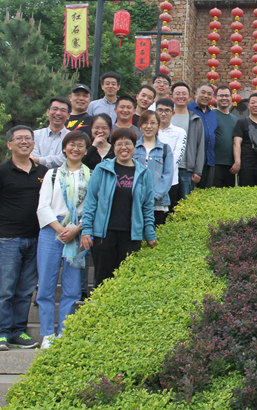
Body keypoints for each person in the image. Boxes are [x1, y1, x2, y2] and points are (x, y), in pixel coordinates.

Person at [0, 125, 48, 351]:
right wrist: (8, 220)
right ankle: (0, 334)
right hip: (9, 239)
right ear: (9, 144)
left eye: (28, 138)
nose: (24, 142)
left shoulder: (43, 172)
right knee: (5, 289)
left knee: (25, 290)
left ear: (33, 143)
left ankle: (18, 331)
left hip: (36, 238)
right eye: (19, 138)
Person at [35, 131, 90, 349]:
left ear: (86, 151)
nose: (76, 149)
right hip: (52, 229)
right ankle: (48, 333)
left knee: (72, 286)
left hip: (78, 229)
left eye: (80, 146)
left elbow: (91, 206)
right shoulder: (52, 174)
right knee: (46, 284)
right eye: (72, 145)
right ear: (64, 148)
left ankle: (64, 331)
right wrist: (60, 229)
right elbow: (43, 206)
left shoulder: (91, 175)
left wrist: (76, 229)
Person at [80, 128, 157, 286]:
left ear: (134, 146)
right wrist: (86, 229)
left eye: (128, 143)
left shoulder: (143, 173)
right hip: (104, 235)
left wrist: (149, 232)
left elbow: (147, 206)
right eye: (119, 144)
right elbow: (91, 201)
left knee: (126, 282)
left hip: (131, 236)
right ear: (113, 147)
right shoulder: (102, 169)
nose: (124, 147)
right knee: (102, 281)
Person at [134, 110, 174, 227]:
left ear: (158, 125)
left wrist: (154, 196)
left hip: (158, 202)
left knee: (154, 233)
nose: (148, 126)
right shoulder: (133, 147)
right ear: (140, 125)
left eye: (152, 123)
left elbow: (167, 175)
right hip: (134, 200)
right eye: (145, 123)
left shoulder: (165, 149)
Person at [171, 82, 205, 198]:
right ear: (172, 97)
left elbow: (200, 146)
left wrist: (198, 171)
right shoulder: (166, 118)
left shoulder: (195, 120)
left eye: (184, 94)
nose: (181, 96)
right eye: (177, 93)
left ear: (189, 97)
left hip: (186, 169)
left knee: (184, 203)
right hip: (167, 168)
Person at [154, 99, 187, 208]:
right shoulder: (150, 131)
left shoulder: (180, 132)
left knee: (168, 212)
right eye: (160, 110)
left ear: (173, 113)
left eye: (167, 110)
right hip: (151, 179)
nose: (163, 113)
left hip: (171, 181)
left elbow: (178, 156)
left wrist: (164, 173)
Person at [233, 92, 257, 186]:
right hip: (246, 165)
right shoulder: (241, 123)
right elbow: (236, 143)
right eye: (253, 102)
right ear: (248, 105)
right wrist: (237, 161)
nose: (255, 105)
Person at [186, 83, 217, 189]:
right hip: (192, 163)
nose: (206, 96)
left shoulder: (212, 114)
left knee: (205, 194)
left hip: (209, 161)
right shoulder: (187, 109)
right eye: (203, 93)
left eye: (209, 94)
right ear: (196, 94)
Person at [31, 97, 71, 169]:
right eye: (55, 109)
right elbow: (32, 158)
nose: (58, 113)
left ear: (68, 115)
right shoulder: (35, 135)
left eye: (63, 110)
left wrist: (38, 160)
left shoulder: (72, 137)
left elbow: (64, 159)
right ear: (48, 112)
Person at [213, 86, 240, 188]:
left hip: (230, 165)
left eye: (226, 96)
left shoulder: (235, 119)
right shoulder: (210, 115)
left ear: (231, 98)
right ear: (215, 97)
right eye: (221, 95)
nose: (224, 98)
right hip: (214, 163)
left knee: (228, 195)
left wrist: (237, 161)